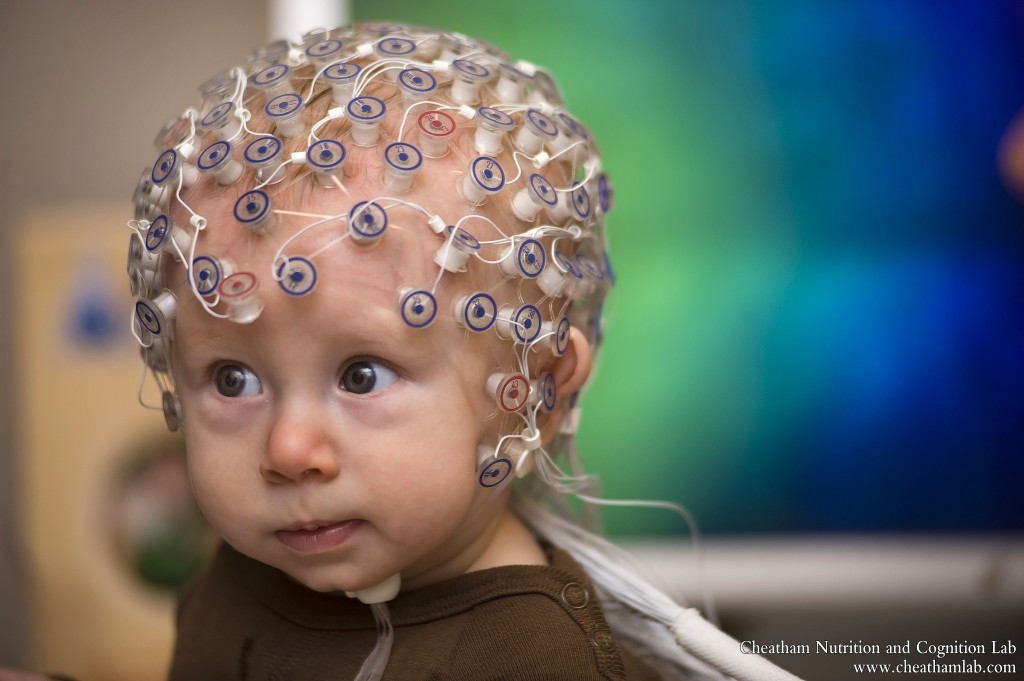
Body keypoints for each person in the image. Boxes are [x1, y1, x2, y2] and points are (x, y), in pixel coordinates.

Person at [3, 22, 803, 681]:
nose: (287, 450)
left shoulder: (534, 659)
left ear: (537, 390)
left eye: (361, 374)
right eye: (232, 376)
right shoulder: (249, 566)